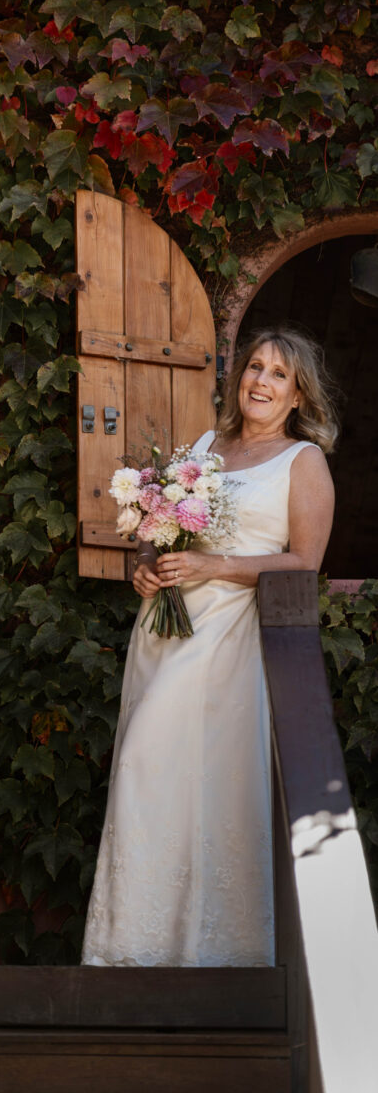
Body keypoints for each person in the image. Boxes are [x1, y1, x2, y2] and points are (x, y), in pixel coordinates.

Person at [82, 328, 338, 967]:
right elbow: (161, 533)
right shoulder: (204, 448)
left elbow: (304, 562)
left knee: (205, 784)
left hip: (226, 639)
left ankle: (218, 953)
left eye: (279, 374)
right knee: (148, 776)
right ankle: (132, 948)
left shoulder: (302, 461)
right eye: (255, 367)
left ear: (298, 394)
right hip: (163, 630)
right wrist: (147, 566)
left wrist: (213, 567)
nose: (261, 381)